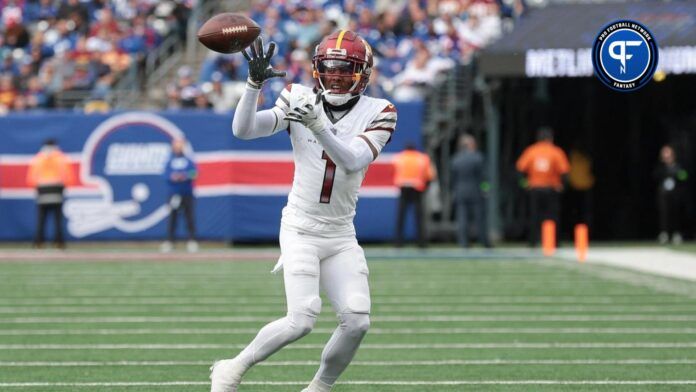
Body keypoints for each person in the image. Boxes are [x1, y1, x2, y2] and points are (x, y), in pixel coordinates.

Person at [211, 32, 397, 392]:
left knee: (357, 319)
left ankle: (319, 388)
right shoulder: (298, 97)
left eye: (346, 71)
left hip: (341, 233)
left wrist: (317, 126)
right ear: (317, 70)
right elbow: (244, 130)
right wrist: (252, 86)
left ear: (364, 73)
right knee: (301, 319)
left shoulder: (381, 111)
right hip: (300, 227)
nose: (337, 78)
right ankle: (231, 368)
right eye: (329, 70)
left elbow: (352, 160)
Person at [516, 127, 570, 247]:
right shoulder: (556, 151)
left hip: (535, 188)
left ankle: (533, 242)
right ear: (550, 138)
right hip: (551, 189)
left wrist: (525, 185)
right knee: (552, 216)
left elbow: (519, 170)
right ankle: (553, 242)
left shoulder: (531, 151)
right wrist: (562, 186)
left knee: (534, 216)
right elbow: (565, 172)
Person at [26, 138, 75, 248]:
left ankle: (39, 242)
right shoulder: (61, 159)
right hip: (57, 191)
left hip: (42, 192)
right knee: (57, 219)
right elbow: (68, 177)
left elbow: (31, 179)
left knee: (41, 219)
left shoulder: (38, 159)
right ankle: (59, 242)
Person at [450, 134, 491, 248]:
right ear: (470, 145)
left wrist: (454, 190)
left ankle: (463, 243)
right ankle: (483, 241)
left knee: (462, 218)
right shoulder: (478, 157)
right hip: (475, 191)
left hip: (460, 191)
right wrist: (485, 190)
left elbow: (453, 178)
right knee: (480, 218)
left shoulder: (456, 159)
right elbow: (483, 177)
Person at [392, 142, 436, 248]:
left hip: (403, 189)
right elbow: (431, 176)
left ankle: (398, 243)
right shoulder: (423, 158)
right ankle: (421, 243)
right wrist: (425, 187)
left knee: (401, 217)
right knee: (419, 217)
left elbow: (392, 173)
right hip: (417, 189)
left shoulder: (398, 158)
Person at [161, 138, 199, 253]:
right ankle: (170, 241)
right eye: (176, 145)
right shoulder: (170, 161)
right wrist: (173, 176)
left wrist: (185, 176)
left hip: (187, 193)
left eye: (180, 145)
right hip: (174, 194)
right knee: (172, 218)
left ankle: (191, 241)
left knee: (189, 217)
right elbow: (166, 175)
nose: (178, 147)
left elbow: (194, 173)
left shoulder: (188, 161)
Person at [654, 145, 687, 245]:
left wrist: (677, 174)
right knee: (664, 214)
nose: (667, 156)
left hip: (676, 195)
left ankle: (676, 233)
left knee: (676, 214)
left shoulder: (678, 166)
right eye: (665, 153)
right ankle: (664, 234)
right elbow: (655, 176)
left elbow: (684, 176)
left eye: (668, 153)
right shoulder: (660, 168)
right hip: (664, 195)